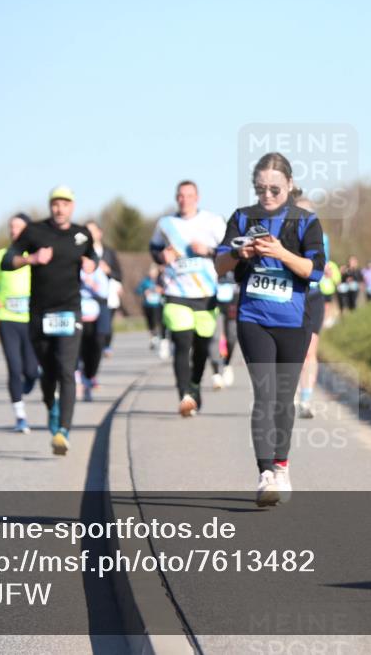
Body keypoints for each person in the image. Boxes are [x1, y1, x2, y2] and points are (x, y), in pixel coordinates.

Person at [215, 153, 325, 507]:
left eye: (275, 189)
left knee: (283, 399)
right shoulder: (243, 217)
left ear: (290, 185)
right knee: (264, 395)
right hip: (253, 316)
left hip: (294, 321)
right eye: (260, 189)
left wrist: (280, 253)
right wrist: (240, 254)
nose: (267, 196)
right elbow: (218, 264)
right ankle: (264, 474)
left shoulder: (306, 222)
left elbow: (315, 271)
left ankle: (281, 464)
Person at [2, 186, 98, 456]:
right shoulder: (34, 231)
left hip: (70, 311)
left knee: (67, 370)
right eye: (55, 204)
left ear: (72, 207)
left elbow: (93, 255)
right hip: (40, 313)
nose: (60, 209)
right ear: (50, 206)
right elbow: (7, 261)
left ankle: (63, 431)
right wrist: (31, 258)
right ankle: (51, 407)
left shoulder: (82, 234)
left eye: (65, 204)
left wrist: (92, 263)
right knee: (48, 370)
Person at [149, 180, 226, 416]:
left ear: (197, 197)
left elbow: (229, 253)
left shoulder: (213, 222)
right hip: (176, 293)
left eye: (189, 195)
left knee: (202, 347)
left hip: (205, 294)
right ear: (176, 198)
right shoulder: (166, 224)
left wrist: (210, 251)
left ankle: (194, 384)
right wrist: (162, 256)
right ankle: (184, 395)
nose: (185, 199)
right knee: (181, 344)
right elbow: (154, 249)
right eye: (180, 196)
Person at [0, 213, 38, 434]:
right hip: (7, 319)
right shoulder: (0, 257)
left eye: (19, 227)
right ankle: (20, 416)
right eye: (11, 226)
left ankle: (31, 379)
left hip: (30, 320)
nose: (14, 230)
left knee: (31, 371)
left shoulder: (35, 257)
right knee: (14, 368)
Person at [78, 221, 120, 401]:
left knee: (99, 339)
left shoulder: (108, 252)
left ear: (100, 233)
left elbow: (118, 275)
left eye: (93, 231)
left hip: (103, 301)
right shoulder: (77, 251)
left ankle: (90, 373)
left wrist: (107, 272)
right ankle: (82, 374)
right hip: (81, 305)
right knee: (82, 342)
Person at [296, 197, 329, 419]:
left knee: (309, 352)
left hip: (314, 296)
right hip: (292, 296)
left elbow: (320, 264)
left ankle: (306, 399)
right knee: (291, 352)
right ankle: (289, 395)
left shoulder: (322, 237)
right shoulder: (283, 236)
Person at [136, 264, 165, 350]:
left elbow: (168, 289)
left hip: (158, 305)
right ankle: (153, 338)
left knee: (159, 322)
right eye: (151, 272)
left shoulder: (161, 280)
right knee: (150, 323)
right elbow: (138, 290)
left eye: (154, 272)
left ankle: (161, 339)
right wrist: (145, 291)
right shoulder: (145, 281)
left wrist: (160, 290)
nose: (152, 273)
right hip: (148, 305)